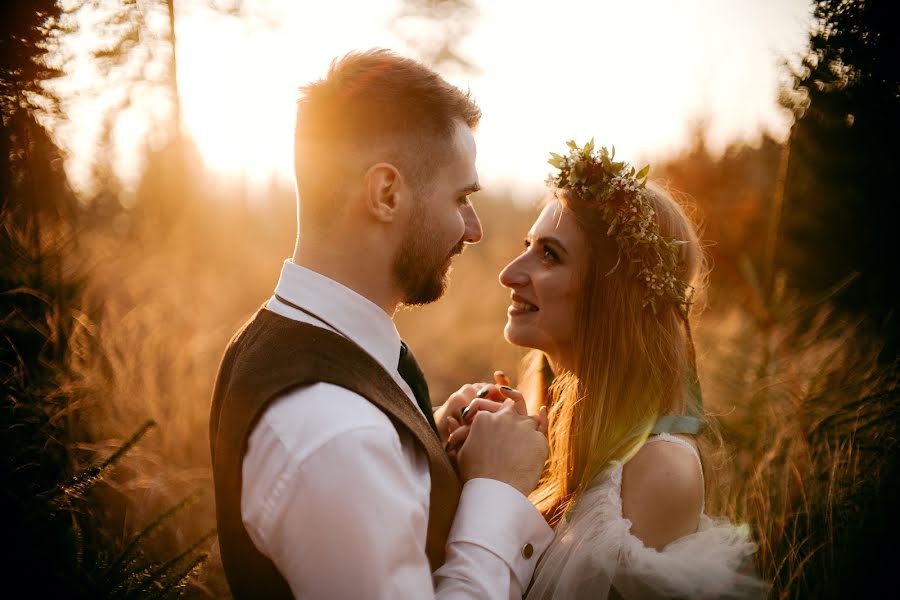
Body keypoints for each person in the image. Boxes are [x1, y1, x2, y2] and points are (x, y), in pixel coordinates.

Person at [208, 49, 553, 599]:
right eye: (461, 197)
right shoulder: (338, 435)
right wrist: (497, 491)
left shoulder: (287, 339)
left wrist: (424, 447)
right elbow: (346, 456)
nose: (474, 230)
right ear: (386, 193)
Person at [449, 141, 768, 598]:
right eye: (528, 246)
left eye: (550, 255)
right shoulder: (536, 423)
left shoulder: (660, 468)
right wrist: (470, 468)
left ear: (611, 294)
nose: (510, 273)